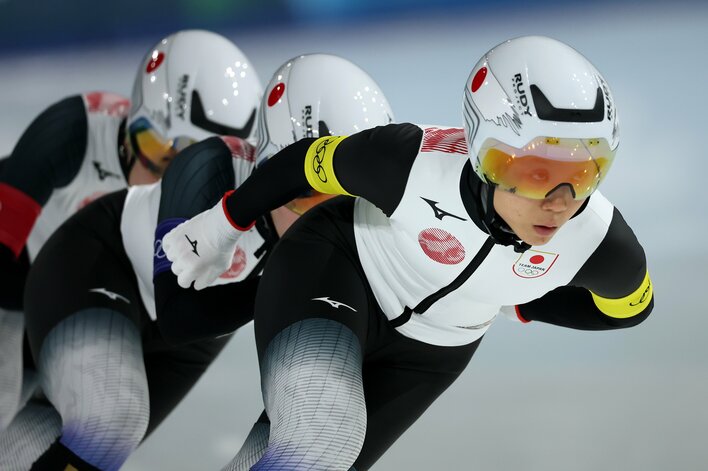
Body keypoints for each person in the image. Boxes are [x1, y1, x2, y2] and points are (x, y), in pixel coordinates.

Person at [163, 36, 655, 471]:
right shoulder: (408, 162)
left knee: (295, 459)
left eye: (584, 174)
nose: (560, 202)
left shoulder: (603, 245)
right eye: (536, 173)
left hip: (433, 354)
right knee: (319, 441)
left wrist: (521, 299)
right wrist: (221, 225)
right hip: (337, 270)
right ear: (487, 154)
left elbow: (631, 311)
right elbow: (303, 163)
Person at [18, 53, 394, 470]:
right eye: (316, 198)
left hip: (198, 328)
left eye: (348, 205)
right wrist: (288, 284)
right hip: (98, 266)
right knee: (109, 421)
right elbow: (178, 316)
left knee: (297, 443)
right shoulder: (209, 167)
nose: (331, 221)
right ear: (276, 168)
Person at [0, 29, 262, 470]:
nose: (163, 180)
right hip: (15, 285)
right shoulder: (72, 132)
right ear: (132, 116)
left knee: (82, 430)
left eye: (190, 169)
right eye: (155, 148)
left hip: (97, 298)